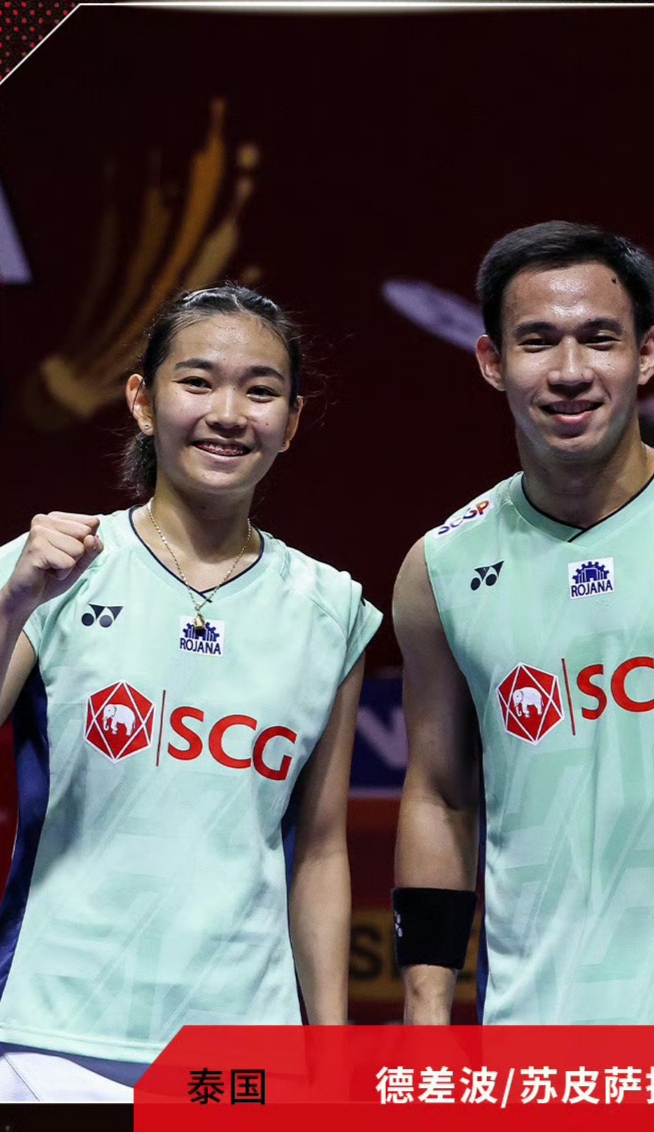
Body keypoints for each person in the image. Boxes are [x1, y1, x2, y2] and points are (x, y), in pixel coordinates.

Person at [391, 221, 654, 1026]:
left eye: (600, 339)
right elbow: (439, 796)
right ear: (492, 361)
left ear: (646, 354)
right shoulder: (439, 568)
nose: (571, 371)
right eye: (538, 341)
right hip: (535, 1035)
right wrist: (426, 1010)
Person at [0, 284, 381, 1101]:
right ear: (143, 401)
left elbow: (319, 849)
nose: (228, 414)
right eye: (198, 382)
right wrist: (13, 603)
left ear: (291, 422)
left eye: (260, 390)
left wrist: (331, 1055)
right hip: (52, 1034)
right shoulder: (47, 569)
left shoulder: (331, 608)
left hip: (245, 1045)